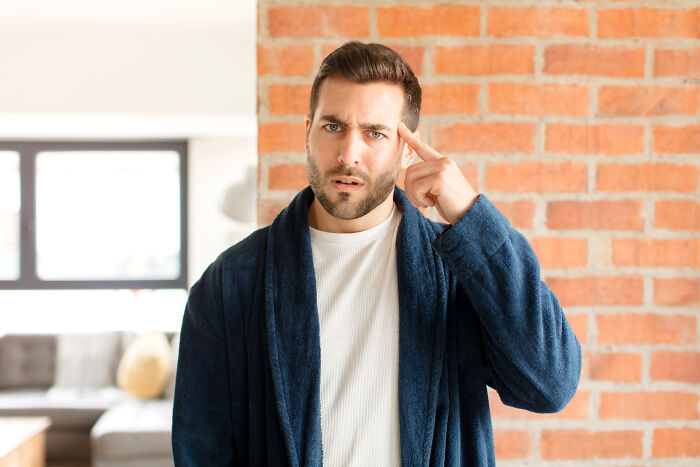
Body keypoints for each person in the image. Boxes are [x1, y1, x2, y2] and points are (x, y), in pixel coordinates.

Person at [172, 41, 581, 466]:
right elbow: (201, 450)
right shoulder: (231, 283)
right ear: (307, 131)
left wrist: (471, 219)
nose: (349, 154)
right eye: (332, 127)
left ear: (406, 148)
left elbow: (549, 384)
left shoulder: (456, 268)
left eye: (375, 133)